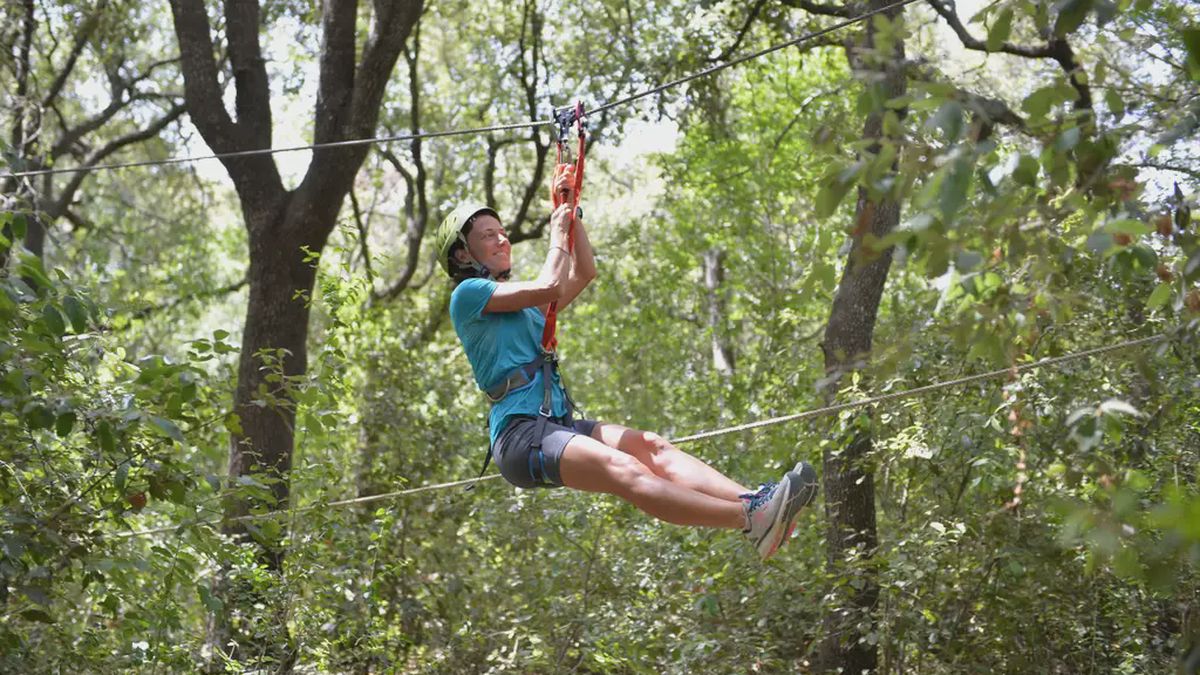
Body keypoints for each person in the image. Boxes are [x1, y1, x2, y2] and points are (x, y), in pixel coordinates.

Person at [434, 168, 818, 560]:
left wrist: (570, 210)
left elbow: (584, 272)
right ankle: (749, 518)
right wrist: (555, 231)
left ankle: (759, 503)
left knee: (649, 447)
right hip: (519, 433)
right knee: (626, 470)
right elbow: (551, 284)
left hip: (554, 423)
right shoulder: (468, 295)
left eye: (502, 232)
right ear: (463, 254)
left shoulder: (528, 310)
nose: (502, 239)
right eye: (488, 235)